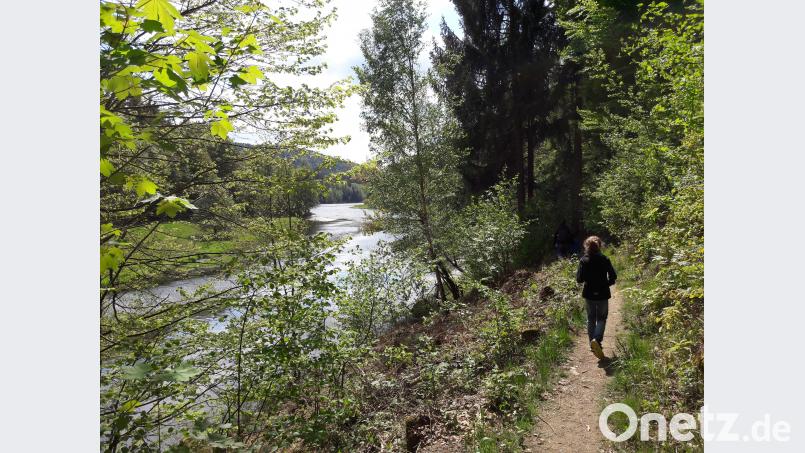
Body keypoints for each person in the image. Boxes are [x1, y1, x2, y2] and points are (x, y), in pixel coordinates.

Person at [576, 235, 617, 360]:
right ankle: (597, 340)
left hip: (589, 293)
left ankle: (592, 344)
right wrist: (605, 284)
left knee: (591, 318)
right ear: (600, 246)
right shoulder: (605, 259)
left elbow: (579, 279)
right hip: (603, 293)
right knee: (602, 318)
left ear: (586, 246)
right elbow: (613, 277)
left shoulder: (583, 260)